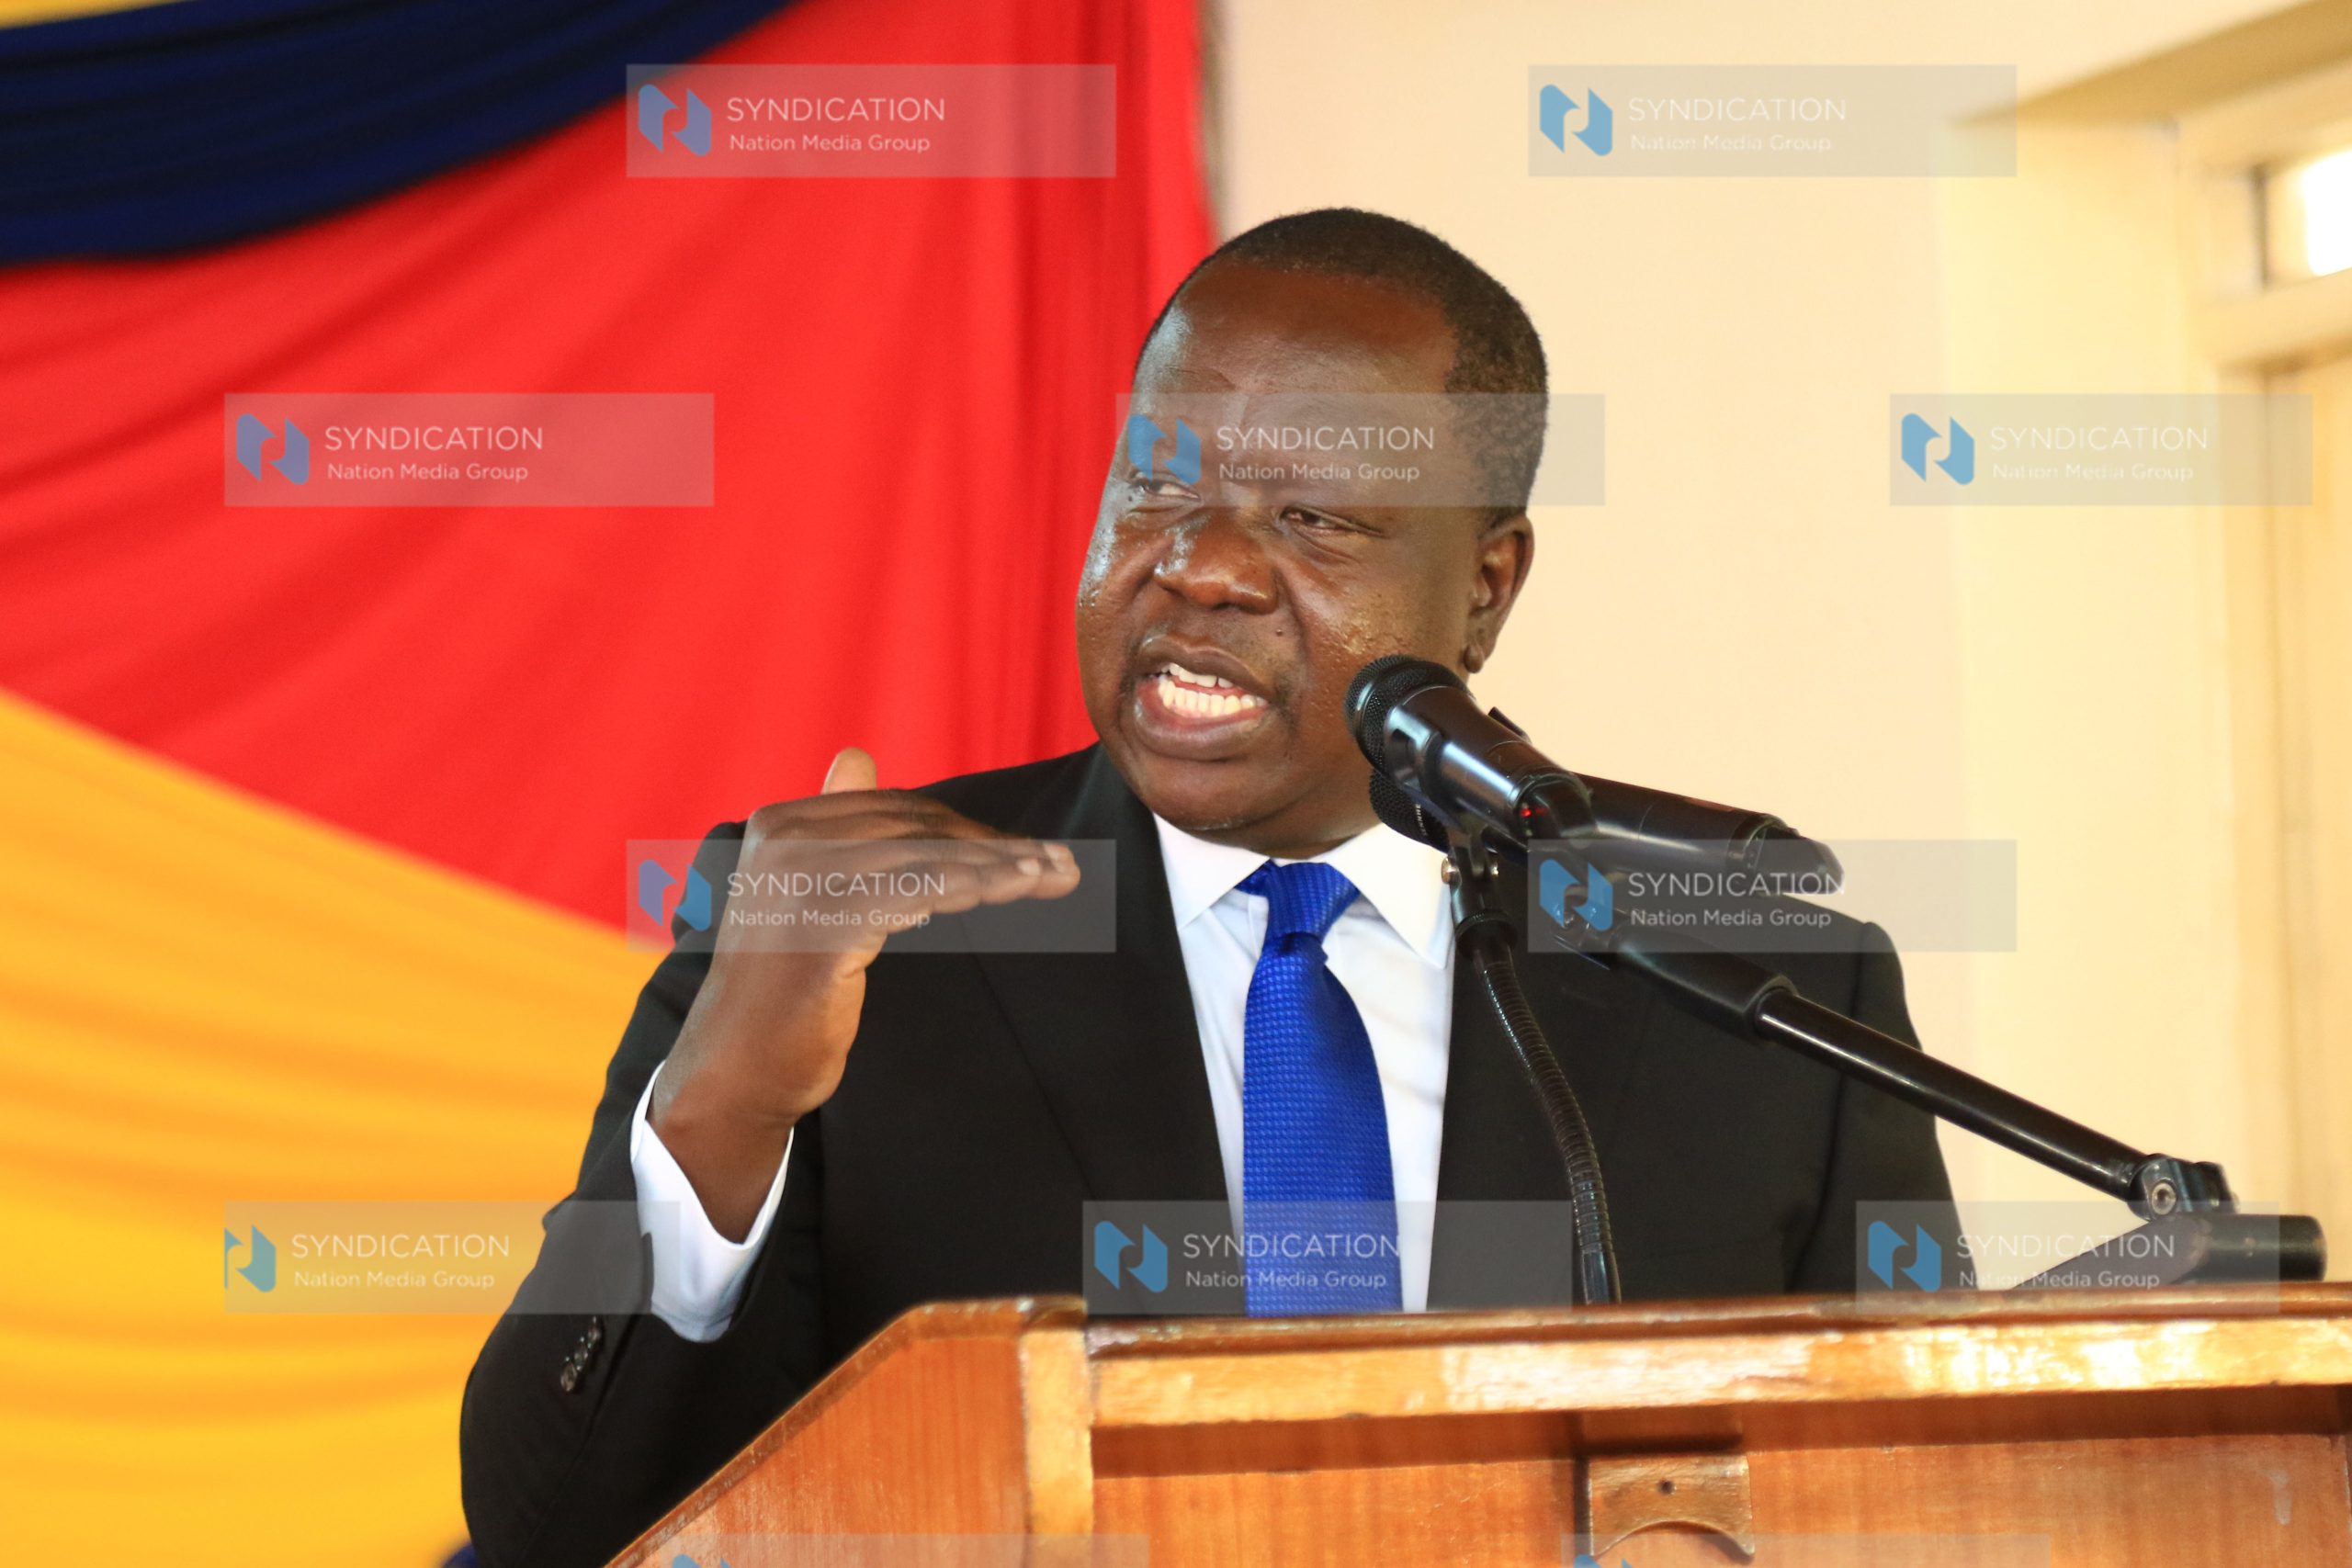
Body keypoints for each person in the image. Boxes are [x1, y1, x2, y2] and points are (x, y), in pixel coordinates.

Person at [459, 208, 1957, 1567]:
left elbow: (1935, 1512)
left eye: (1317, 522)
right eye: (1158, 483)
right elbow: (552, 1529)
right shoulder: (848, 936)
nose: (1202, 566)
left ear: (1485, 589)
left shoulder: (1757, 1003)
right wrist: (725, 1101)